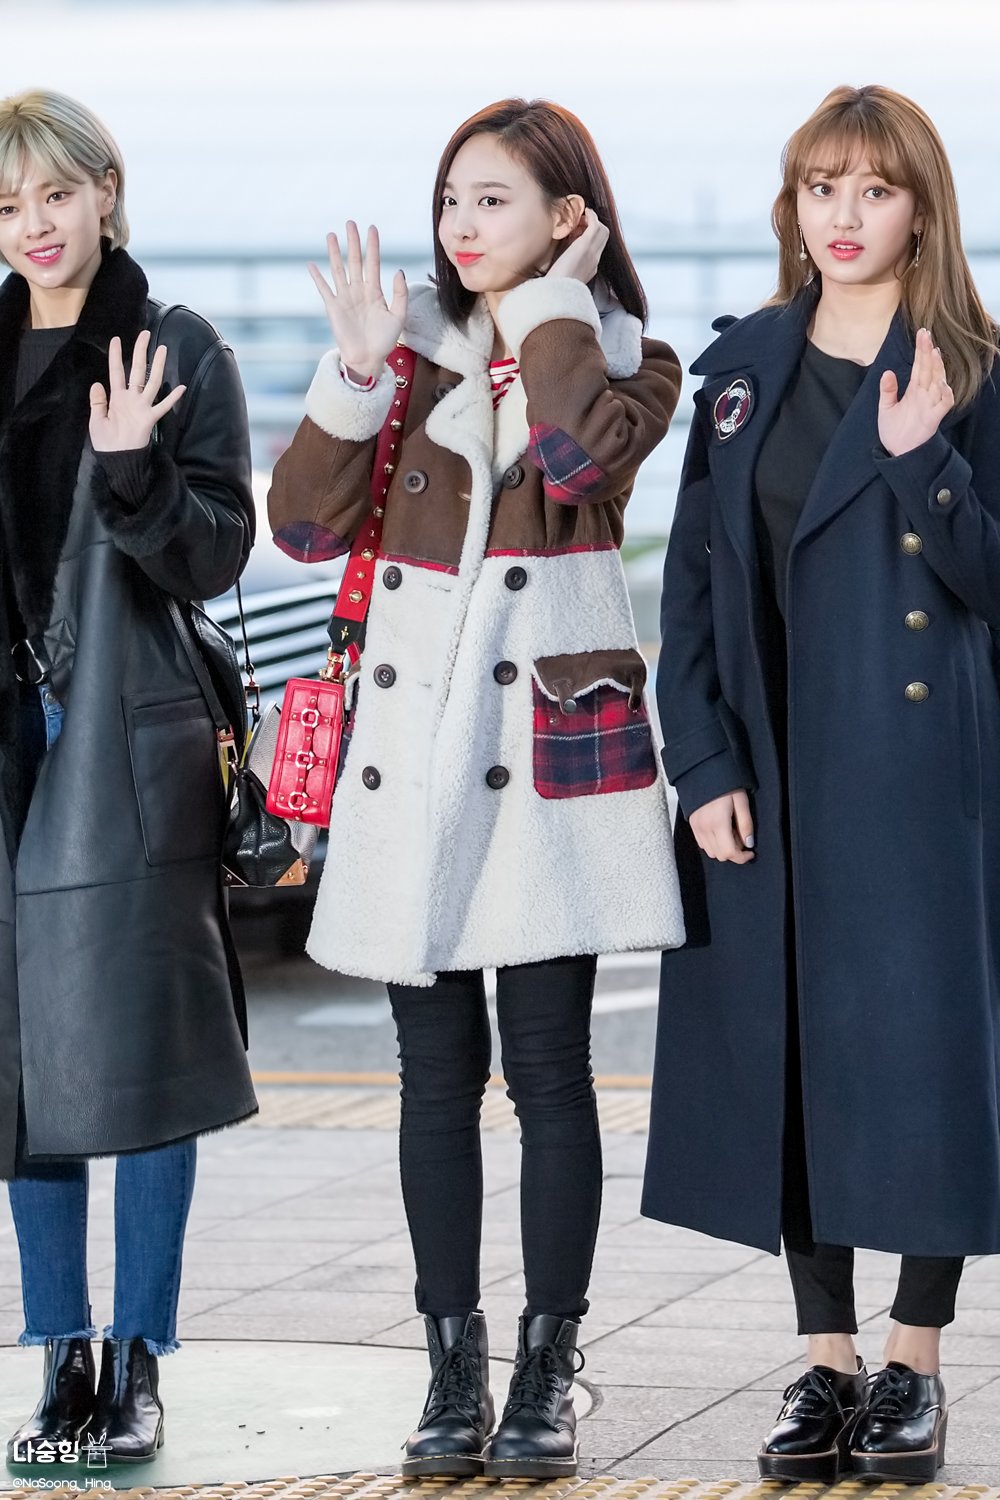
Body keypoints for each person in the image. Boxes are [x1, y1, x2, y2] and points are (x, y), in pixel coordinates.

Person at [269, 97, 684, 1479]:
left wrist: (548, 310)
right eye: (452, 197)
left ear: (569, 216)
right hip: (413, 763)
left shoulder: (631, 362)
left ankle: (548, 1373)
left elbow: (577, 463)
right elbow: (298, 526)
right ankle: (452, 1371)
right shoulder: (407, 361)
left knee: (553, 1075)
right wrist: (352, 371)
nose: (460, 224)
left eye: (493, 198)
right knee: (432, 1081)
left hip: (546, 766)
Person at [642, 83, 1000, 1484]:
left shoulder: (972, 366)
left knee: (917, 1062)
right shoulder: (743, 369)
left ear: (922, 206)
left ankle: (914, 1362)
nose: (843, 216)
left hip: (916, 773)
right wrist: (701, 760)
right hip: (770, 764)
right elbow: (690, 586)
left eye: (874, 188)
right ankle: (828, 1364)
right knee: (787, 1058)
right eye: (820, 187)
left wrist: (927, 472)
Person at [0, 90, 257, 1467]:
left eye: (55, 193)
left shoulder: (174, 346)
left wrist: (133, 473)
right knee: (22, 1061)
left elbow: (215, 553)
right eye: (7, 206)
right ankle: (62, 1353)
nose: (34, 226)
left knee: (145, 1050)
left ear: (105, 188)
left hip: (128, 733)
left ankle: (141, 1353)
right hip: (10, 745)